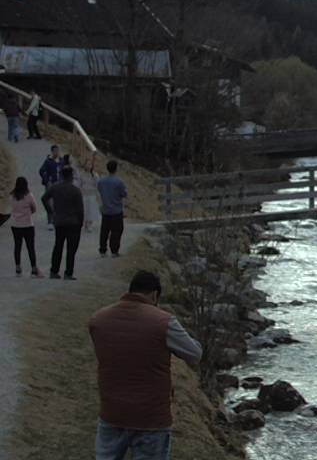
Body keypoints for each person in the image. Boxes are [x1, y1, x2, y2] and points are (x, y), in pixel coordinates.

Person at [89, 270, 202, 460]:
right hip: (151, 417)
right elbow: (194, 354)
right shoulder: (164, 322)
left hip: (112, 411)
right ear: (154, 294)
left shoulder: (98, 319)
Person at [42, 165, 84, 279]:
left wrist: (50, 211)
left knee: (58, 246)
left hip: (59, 221)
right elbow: (80, 209)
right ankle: (68, 273)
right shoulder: (75, 190)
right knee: (71, 249)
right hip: (73, 222)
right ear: (71, 176)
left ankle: (54, 271)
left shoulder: (55, 187)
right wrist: (81, 223)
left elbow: (44, 198)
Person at [9, 177, 43, 277]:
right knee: (30, 247)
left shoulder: (12, 196)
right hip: (27, 224)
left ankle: (18, 268)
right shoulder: (29, 196)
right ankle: (33, 269)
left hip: (15, 224)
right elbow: (34, 208)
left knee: (17, 246)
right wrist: (28, 213)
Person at [97, 159, 128, 257]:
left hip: (105, 209)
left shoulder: (101, 181)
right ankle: (114, 250)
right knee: (116, 231)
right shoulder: (119, 181)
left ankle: (102, 249)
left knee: (104, 231)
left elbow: (99, 191)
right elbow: (124, 194)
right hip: (116, 210)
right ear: (116, 169)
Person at [39, 144, 61, 230]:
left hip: (60, 184)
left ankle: (57, 220)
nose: (56, 152)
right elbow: (41, 171)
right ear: (52, 151)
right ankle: (50, 221)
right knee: (49, 203)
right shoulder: (48, 161)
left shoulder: (61, 161)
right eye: (55, 151)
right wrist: (47, 180)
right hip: (51, 184)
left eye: (57, 151)